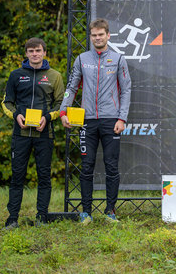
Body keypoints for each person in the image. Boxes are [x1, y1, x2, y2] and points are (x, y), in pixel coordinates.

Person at [60, 18, 131, 223]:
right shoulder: (82, 59)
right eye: (94, 35)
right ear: (90, 37)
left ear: (108, 36)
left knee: (111, 166)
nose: (97, 38)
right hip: (87, 120)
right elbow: (71, 88)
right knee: (87, 166)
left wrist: (122, 118)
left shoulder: (118, 59)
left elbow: (126, 90)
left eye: (101, 34)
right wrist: (63, 112)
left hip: (111, 120)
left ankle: (110, 211)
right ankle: (86, 212)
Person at [1, 38, 65, 229]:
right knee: (17, 175)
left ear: (45, 52)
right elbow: (7, 102)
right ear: (26, 53)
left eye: (38, 50)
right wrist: (16, 116)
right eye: (31, 51)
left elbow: (61, 104)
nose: (34, 54)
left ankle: (42, 217)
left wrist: (48, 117)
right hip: (20, 134)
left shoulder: (54, 76)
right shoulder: (16, 75)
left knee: (44, 176)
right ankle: (12, 218)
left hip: (44, 135)